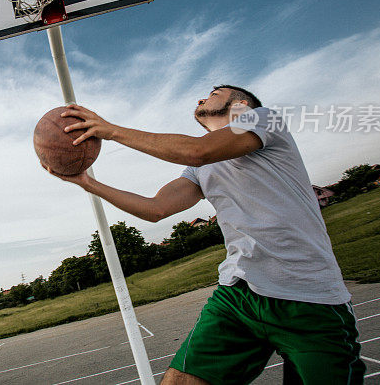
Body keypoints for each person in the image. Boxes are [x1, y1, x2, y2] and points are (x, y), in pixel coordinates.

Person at [46, 85, 364, 385]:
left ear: (241, 103)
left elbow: (197, 150)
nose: (202, 97)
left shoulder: (263, 119)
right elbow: (155, 208)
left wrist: (111, 130)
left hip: (309, 297)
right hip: (238, 296)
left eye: (214, 93)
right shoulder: (200, 169)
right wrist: (87, 183)